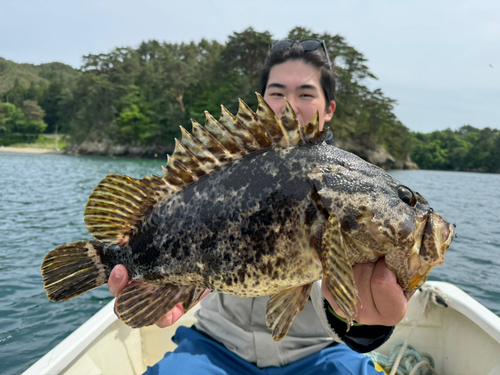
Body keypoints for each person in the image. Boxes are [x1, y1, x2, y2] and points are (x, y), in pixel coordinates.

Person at [108, 39, 413, 374]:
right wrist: (156, 280)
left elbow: (353, 295)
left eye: (306, 94)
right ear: (262, 101)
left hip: (319, 353)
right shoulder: (231, 165)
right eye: (277, 92)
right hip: (214, 346)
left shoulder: (358, 189)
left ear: (329, 110)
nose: (290, 105)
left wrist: (367, 324)